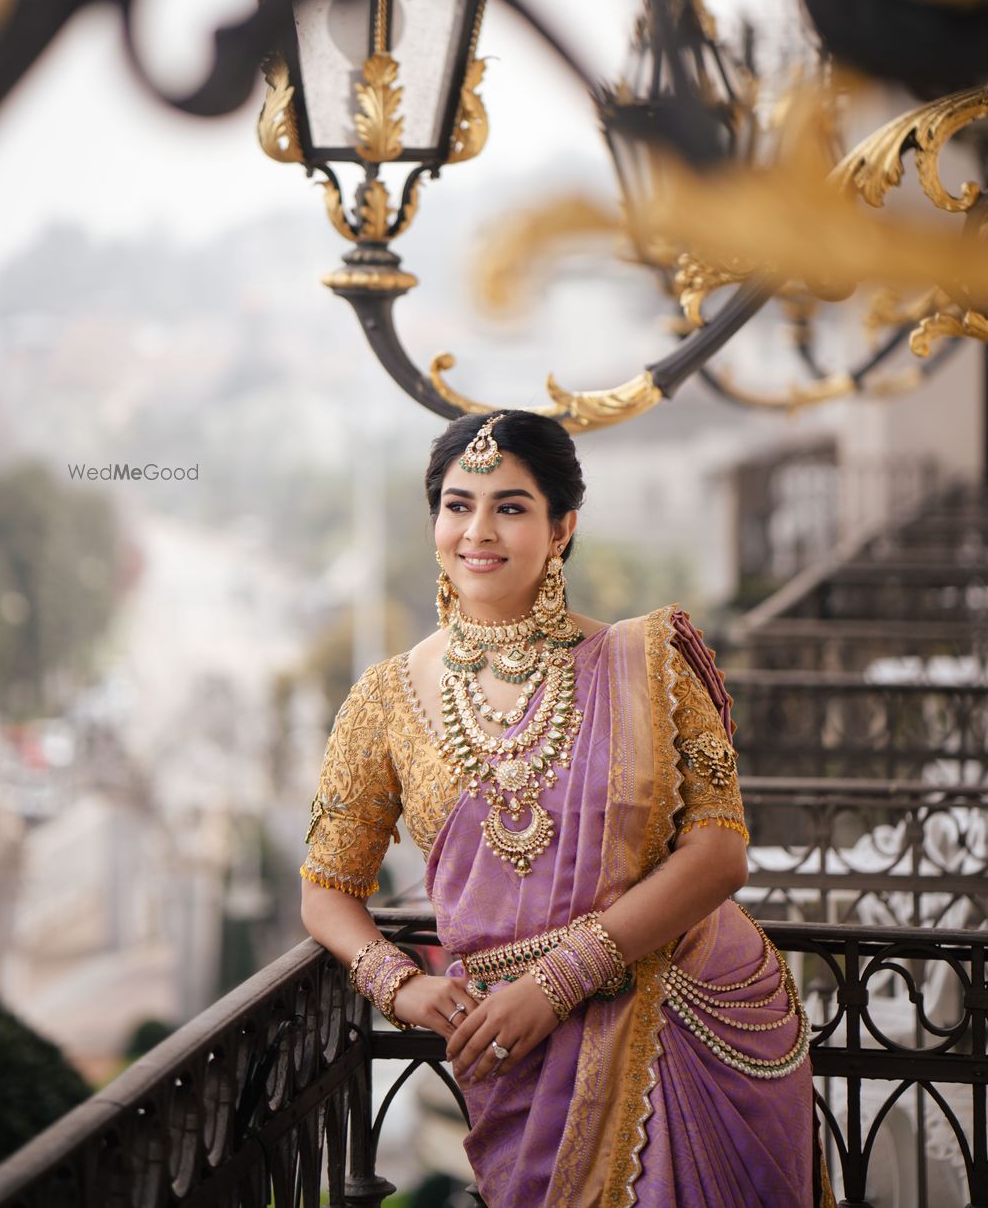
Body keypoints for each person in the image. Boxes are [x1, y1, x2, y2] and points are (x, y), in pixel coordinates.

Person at [301, 410, 830, 1207]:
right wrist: (397, 983)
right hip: (514, 1056)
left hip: (686, 1016)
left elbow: (721, 853)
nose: (478, 530)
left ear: (561, 527)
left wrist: (557, 982)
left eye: (511, 506)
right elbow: (327, 886)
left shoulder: (649, 664)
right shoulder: (382, 702)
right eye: (457, 504)